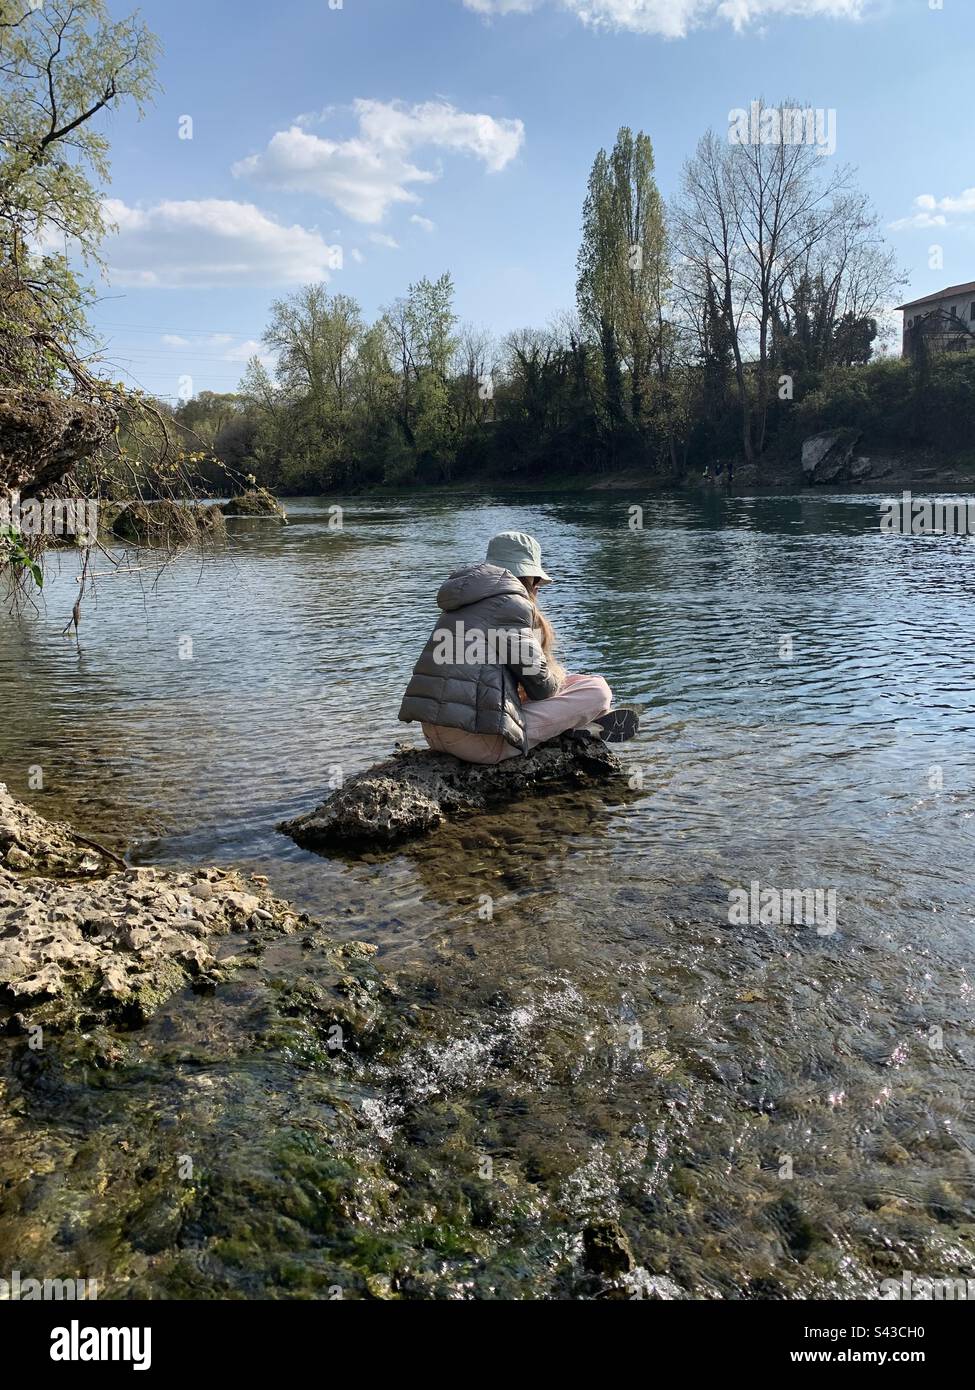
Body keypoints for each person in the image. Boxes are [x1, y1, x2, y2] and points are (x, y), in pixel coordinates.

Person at [398, 531, 637, 766]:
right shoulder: (510, 605)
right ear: (529, 577)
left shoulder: (465, 600)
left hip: (434, 733)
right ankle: (583, 726)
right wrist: (556, 675)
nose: (539, 588)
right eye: (537, 581)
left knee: (575, 682)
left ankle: (583, 726)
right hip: (479, 742)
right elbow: (542, 688)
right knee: (597, 689)